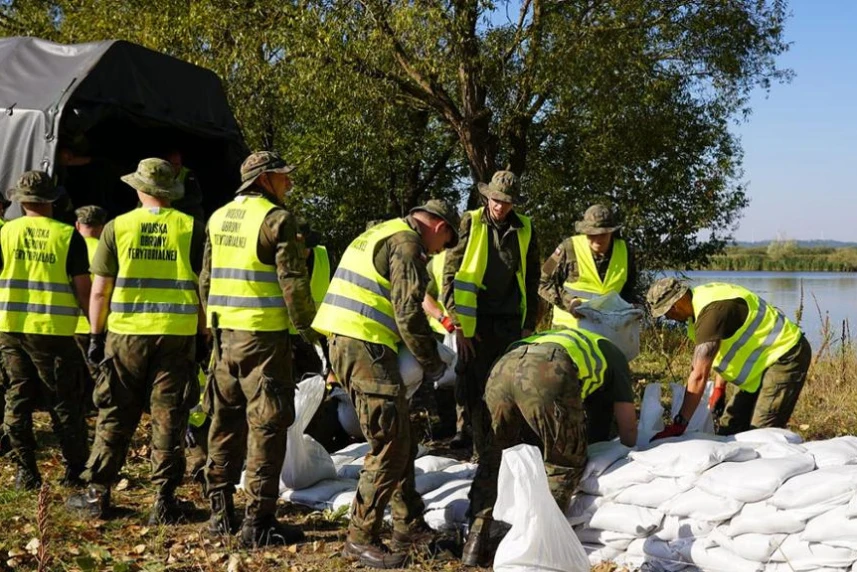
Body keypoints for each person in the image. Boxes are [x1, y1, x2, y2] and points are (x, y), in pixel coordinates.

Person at [313, 199, 459, 568]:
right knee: (389, 443)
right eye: (444, 243)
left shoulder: (382, 231)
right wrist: (434, 364)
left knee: (401, 434)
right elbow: (409, 313)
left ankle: (409, 525)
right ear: (439, 227)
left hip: (354, 342)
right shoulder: (408, 244)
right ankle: (360, 537)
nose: (438, 251)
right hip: (362, 345)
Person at [65, 158, 205, 524]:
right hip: (177, 333)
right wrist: (204, 334)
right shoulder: (192, 228)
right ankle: (164, 501)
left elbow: (99, 291)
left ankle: (97, 495)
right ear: (170, 192)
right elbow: (204, 288)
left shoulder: (118, 227)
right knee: (169, 415)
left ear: (140, 189)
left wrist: (96, 335)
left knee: (115, 412)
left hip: (125, 335)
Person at [200, 151, 319, 548]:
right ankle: (259, 521)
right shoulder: (276, 220)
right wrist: (309, 333)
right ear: (265, 179)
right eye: (283, 177)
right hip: (263, 340)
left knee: (223, 422)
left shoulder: (219, 218)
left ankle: (220, 514)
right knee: (268, 426)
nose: (289, 183)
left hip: (223, 337)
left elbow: (206, 279)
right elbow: (293, 284)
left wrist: (213, 322)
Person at [461, 327, 637, 566]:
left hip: (502, 369)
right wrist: (630, 453)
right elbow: (627, 428)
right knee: (562, 463)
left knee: (496, 457)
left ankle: (475, 542)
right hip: (547, 371)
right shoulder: (615, 357)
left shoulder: (570, 339)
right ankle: (537, 549)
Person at [0, 171, 92, 489]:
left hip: (11, 328)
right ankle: (75, 470)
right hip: (53, 331)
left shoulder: (5, 234)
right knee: (64, 402)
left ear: (21, 200)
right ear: (52, 199)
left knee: (18, 397)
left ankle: (26, 471)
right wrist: (96, 328)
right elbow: (83, 289)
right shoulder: (68, 236)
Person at [442, 170, 540, 461]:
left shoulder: (525, 228)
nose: (500, 206)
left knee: (508, 384)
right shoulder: (469, 222)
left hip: (510, 319)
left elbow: (532, 278)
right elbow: (450, 273)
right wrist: (458, 323)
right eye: (496, 200)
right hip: (475, 321)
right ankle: (480, 450)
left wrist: (528, 323)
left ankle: (507, 446)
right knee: (476, 386)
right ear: (488, 197)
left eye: (507, 202)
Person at [646, 278, 812, 439]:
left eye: (667, 311)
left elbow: (698, 375)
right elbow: (723, 345)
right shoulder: (698, 308)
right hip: (759, 365)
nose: (668, 317)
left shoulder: (712, 312)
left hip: (785, 355)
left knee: (762, 433)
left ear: (678, 302)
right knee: (730, 429)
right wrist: (719, 388)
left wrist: (680, 423)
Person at [539, 204, 637, 328]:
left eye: (603, 234)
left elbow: (629, 290)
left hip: (609, 330)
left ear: (612, 232)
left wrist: (631, 307)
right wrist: (569, 301)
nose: (597, 239)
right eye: (592, 234)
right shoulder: (568, 247)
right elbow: (543, 281)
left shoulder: (626, 251)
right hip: (568, 328)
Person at [73, 206, 108, 410]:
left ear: (78, 225)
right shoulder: (107, 249)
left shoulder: (70, 244)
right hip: (98, 321)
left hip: (69, 323)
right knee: (98, 373)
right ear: (102, 227)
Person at [290, 219, 331, 379]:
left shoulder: (323, 256)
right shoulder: (276, 261)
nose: (304, 252)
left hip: (315, 338)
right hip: (282, 339)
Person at [165, 148, 206, 221]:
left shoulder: (188, 174)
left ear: (181, 164)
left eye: (176, 164)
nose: (173, 167)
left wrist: (175, 204)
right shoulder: (161, 173)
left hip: (181, 208)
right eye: (170, 164)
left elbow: (196, 197)